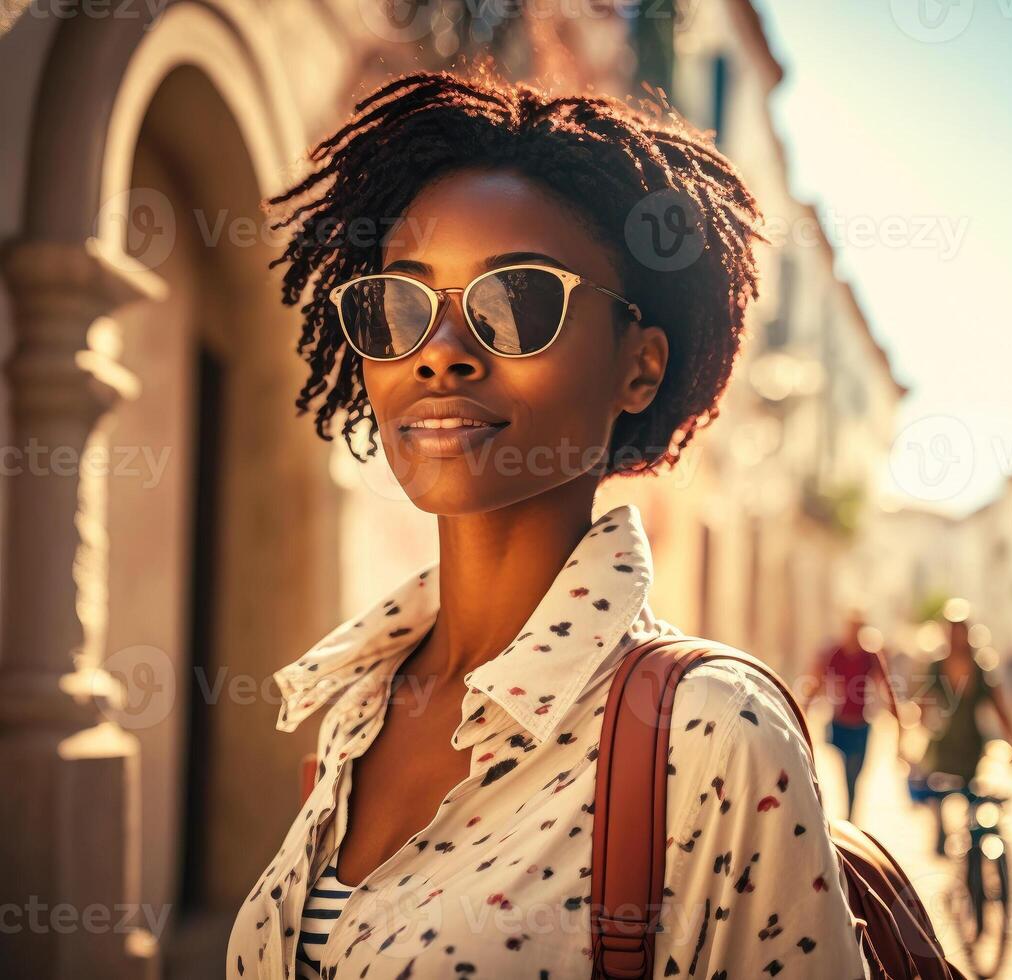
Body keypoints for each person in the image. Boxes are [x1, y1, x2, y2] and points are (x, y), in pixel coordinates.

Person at [227, 71, 870, 980]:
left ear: (638, 370)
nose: (440, 352)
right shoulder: (360, 706)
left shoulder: (713, 735)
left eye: (518, 302)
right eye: (402, 305)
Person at [913, 602, 1012, 854]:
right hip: (944, 743)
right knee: (939, 791)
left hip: (971, 743)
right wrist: (915, 728)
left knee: (971, 796)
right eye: (951, 631)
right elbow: (922, 702)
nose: (955, 637)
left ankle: (970, 850)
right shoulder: (936, 666)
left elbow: (1000, 708)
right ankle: (941, 831)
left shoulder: (980, 668)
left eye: (959, 631)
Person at [798, 609, 899, 821]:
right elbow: (817, 681)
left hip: (861, 725)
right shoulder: (834, 653)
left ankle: (850, 818)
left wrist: (896, 715)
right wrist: (802, 708)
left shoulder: (870, 656)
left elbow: (885, 685)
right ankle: (840, 817)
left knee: (855, 774)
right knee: (841, 772)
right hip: (839, 724)